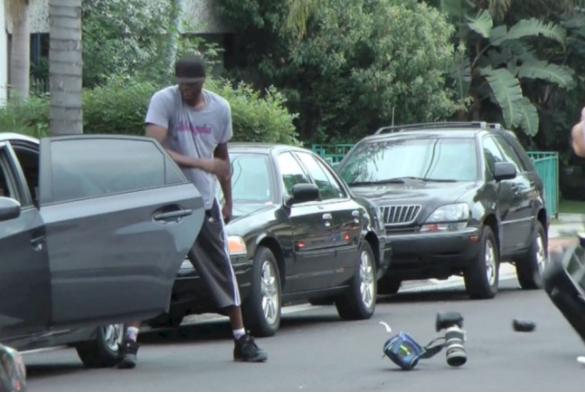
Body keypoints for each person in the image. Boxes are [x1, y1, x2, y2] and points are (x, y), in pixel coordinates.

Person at [116, 54, 268, 369]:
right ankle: (129, 341)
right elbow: (153, 148)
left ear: (202, 82)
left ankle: (241, 339)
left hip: (202, 202)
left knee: (221, 269)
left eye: (190, 85)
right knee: (149, 269)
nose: (184, 90)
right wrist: (200, 163)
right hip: (166, 201)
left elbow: (222, 158)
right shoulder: (164, 101)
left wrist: (228, 200)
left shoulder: (220, 109)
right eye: (181, 84)